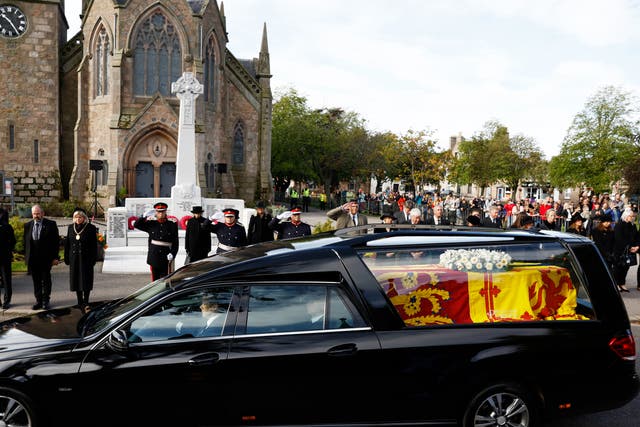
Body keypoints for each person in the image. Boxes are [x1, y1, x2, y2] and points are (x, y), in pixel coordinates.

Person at [24, 204, 60, 310]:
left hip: (46, 258)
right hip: (33, 259)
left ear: (42, 213)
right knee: (36, 281)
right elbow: (26, 243)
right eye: (34, 214)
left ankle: (46, 301)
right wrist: (26, 258)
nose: (36, 216)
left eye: (38, 213)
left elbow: (56, 243)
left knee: (46, 280)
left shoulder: (51, 224)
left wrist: (55, 257)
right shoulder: (28, 225)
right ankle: (38, 301)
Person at [134, 202, 179, 281]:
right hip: (154, 256)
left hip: (166, 256)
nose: (161, 214)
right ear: (156, 212)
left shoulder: (172, 224)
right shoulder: (151, 223)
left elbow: (175, 242)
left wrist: (173, 253)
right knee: (154, 280)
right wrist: (143, 216)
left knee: (166, 280)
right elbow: (136, 225)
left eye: (163, 211)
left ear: (166, 212)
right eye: (159, 212)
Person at [63, 208, 97, 311]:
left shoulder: (91, 228)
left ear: (84, 218)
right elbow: (67, 244)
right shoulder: (70, 228)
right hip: (74, 259)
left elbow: (93, 246)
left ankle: (86, 301)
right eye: (76, 217)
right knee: (76, 279)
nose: (78, 219)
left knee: (85, 280)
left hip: (86, 259)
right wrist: (66, 258)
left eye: (80, 217)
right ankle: (79, 301)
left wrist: (93, 259)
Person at [612, 210, 639, 292]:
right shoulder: (619, 225)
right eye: (631, 216)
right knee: (618, 268)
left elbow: (637, 237)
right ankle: (616, 283)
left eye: (633, 216)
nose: (633, 217)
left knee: (626, 267)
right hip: (620, 250)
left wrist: (637, 246)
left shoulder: (633, 225)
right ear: (626, 216)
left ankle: (622, 283)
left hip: (630, 250)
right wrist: (630, 247)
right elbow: (619, 239)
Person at [591, 214, 618, 290]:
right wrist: (606, 254)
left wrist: (612, 253)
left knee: (609, 271)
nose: (608, 223)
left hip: (609, 254)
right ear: (602, 222)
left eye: (609, 222)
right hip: (600, 254)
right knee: (600, 271)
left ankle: (607, 286)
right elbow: (598, 243)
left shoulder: (611, 231)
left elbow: (613, 242)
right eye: (606, 222)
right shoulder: (596, 230)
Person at [0, 208, 16, 309]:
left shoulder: (6, 226)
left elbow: (12, 241)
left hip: (4, 258)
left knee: (6, 280)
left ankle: (7, 300)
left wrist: (6, 250)